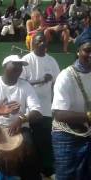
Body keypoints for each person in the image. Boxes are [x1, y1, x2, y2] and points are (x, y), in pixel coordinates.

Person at [0, 55, 42, 180]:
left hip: (20, 128)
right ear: (5, 66)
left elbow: (37, 112)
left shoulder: (25, 86)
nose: (19, 68)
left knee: (31, 156)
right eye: (15, 64)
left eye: (21, 65)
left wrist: (21, 119)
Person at [51, 27, 91, 179]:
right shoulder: (66, 76)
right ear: (78, 51)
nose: (90, 54)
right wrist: (88, 116)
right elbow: (59, 113)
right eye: (87, 50)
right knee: (67, 176)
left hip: (87, 131)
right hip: (67, 134)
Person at [20, 32, 60, 178]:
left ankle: (47, 170)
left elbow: (57, 85)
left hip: (46, 110)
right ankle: (34, 171)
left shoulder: (52, 61)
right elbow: (20, 83)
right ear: (33, 43)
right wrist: (40, 81)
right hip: (29, 109)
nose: (42, 43)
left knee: (45, 141)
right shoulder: (26, 60)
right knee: (31, 142)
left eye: (44, 41)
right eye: (39, 41)